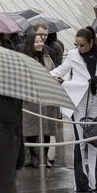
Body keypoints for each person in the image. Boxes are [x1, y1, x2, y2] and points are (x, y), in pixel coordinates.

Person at [50, 27, 97, 193]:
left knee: (94, 142)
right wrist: (47, 75)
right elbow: (61, 70)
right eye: (76, 44)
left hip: (96, 102)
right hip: (78, 103)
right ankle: (82, 183)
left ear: (91, 42)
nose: (79, 48)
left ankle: (96, 182)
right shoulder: (72, 55)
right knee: (79, 142)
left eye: (82, 45)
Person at [20, 27, 59, 168]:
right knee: (30, 129)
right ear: (30, 43)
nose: (40, 44)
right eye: (37, 41)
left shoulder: (47, 57)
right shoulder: (24, 59)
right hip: (30, 99)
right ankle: (34, 157)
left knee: (46, 129)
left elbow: (54, 72)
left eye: (41, 41)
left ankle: (44, 157)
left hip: (46, 98)